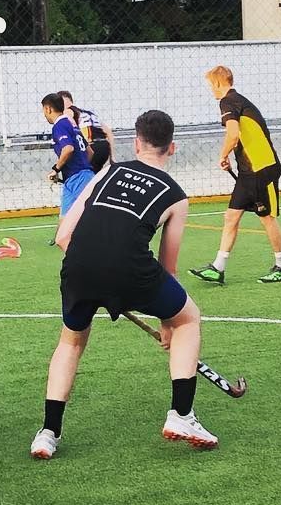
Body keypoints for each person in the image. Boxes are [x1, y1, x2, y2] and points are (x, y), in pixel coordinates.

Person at [31, 108, 217, 460]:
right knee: (188, 318)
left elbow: (62, 236)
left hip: (79, 267)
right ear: (172, 148)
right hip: (133, 270)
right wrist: (167, 323)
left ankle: (47, 434)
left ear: (136, 142)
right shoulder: (176, 196)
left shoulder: (107, 171)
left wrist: (94, 271)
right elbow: (168, 268)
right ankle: (181, 415)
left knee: (70, 344)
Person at [189, 65, 281, 285]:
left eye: (211, 85)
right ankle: (218, 267)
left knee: (267, 218)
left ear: (218, 82)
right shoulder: (237, 101)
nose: (211, 90)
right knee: (231, 217)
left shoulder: (228, 101)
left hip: (261, 170)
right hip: (248, 172)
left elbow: (233, 134)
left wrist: (223, 155)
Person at [41, 92, 95, 221]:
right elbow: (90, 152)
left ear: (48, 109)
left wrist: (56, 169)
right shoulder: (72, 126)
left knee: (90, 219)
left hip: (78, 179)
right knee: (64, 223)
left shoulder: (59, 126)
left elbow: (68, 149)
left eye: (43, 110)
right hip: (72, 178)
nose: (44, 115)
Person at [58, 89, 114, 173]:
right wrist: (112, 156)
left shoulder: (68, 112)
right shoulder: (88, 113)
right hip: (104, 148)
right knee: (94, 175)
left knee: (84, 177)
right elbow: (108, 131)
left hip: (91, 147)